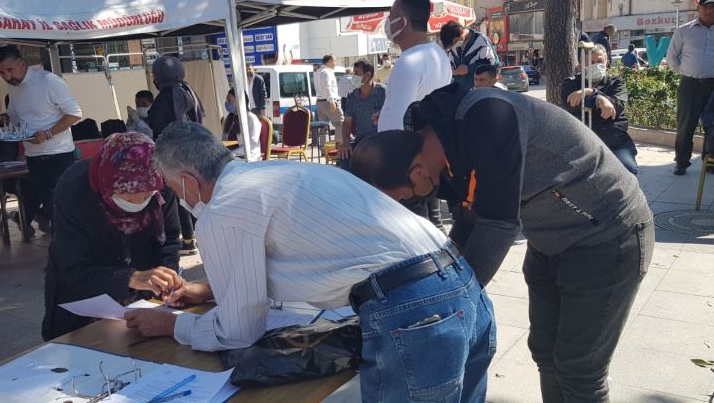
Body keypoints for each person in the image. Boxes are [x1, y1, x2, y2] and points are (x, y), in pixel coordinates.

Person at [124, 122, 496, 403]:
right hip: (460, 282)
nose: (179, 199)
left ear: (188, 181)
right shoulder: (265, 175)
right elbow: (307, 254)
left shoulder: (224, 207)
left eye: (174, 190)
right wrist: (209, 290)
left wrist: (173, 327)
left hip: (416, 308)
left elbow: (238, 332)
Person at [350, 83, 653, 402]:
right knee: (546, 355)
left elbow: (497, 224)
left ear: (417, 171)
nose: (414, 201)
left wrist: (452, 300)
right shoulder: (442, 139)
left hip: (608, 235)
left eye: (406, 196)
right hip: (550, 240)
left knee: (579, 370)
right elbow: (469, 219)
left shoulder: (488, 118)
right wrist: (436, 281)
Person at [43, 132, 183, 340]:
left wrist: (167, 276)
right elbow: (73, 267)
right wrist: (130, 278)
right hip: (84, 300)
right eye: (127, 196)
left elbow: (169, 240)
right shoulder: (75, 189)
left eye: (147, 196)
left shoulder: (160, 183)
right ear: (107, 187)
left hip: (144, 301)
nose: (139, 203)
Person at [376, 0, 451, 230]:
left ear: (404, 22)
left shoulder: (408, 62)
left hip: (405, 165)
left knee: (410, 229)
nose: (388, 23)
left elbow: (400, 125)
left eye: (392, 15)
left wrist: (391, 173)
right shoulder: (438, 54)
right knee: (431, 225)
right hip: (430, 157)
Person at [0, 45, 83, 235]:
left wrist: (48, 133)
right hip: (33, 156)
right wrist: (3, 118)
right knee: (48, 206)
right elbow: (15, 115)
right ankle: (60, 250)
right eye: (1, 72)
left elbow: (75, 113)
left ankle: (66, 253)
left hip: (58, 155)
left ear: (22, 64)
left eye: (10, 70)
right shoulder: (13, 88)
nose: (7, 76)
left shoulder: (48, 81)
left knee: (59, 206)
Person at [146, 56, 205, 255]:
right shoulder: (189, 92)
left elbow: (159, 129)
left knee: (180, 199)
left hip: (175, 158)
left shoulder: (164, 99)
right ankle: (203, 237)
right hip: (195, 153)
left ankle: (188, 241)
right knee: (196, 197)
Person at [561, 44, 639, 174]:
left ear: (607, 63)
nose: (595, 65)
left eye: (599, 61)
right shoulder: (571, 83)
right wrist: (599, 100)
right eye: (590, 62)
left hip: (613, 141)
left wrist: (591, 92)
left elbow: (617, 105)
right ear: (581, 65)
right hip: (581, 142)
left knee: (628, 169)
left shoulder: (616, 82)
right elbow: (572, 104)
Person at [667, 0, 714, 175]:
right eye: (706, 7)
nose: (709, 10)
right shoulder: (684, 31)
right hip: (689, 85)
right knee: (686, 125)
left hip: (712, 86)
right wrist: (686, 73)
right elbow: (671, 58)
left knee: (712, 126)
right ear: (698, 8)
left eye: (712, 7)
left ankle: (709, 161)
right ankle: (682, 161)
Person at [337, 60, 384, 168]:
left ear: (367, 75)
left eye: (357, 73)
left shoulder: (383, 92)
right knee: (344, 156)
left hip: (381, 142)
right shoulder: (352, 96)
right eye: (353, 73)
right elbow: (347, 122)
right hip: (361, 142)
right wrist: (346, 143)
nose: (353, 76)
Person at [147, 56, 205, 139]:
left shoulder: (164, 97)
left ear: (161, 74)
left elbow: (156, 123)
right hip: (194, 142)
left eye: (155, 75)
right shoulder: (187, 90)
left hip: (174, 146)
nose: (154, 79)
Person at [439, 21, 499, 91]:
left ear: (461, 32)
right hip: (459, 93)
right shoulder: (453, 48)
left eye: (455, 41)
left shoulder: (481, 40)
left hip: (479, 92)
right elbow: (451, 66)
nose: (454, 46)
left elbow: (494, 63)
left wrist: (469, 68)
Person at [313, 54, 345, 145]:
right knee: (340, 122)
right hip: (328, 101)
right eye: (334, 61)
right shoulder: (327, 72)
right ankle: (338, 147)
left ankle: (324, 149)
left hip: (320, 102)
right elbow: (328, 88)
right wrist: (331, 102)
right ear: (330, 61)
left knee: (323, 126)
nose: (335, 63)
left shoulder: (317, 72)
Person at [223, 88, 262, 162]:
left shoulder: (251, 119)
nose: (227, 103)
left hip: (247, 156)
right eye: (227, 100)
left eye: (229, 100)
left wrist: (231, 154)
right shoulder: (228, 119)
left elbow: (251, 144)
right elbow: (224, 140)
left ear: (239, 101)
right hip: (231, 156)